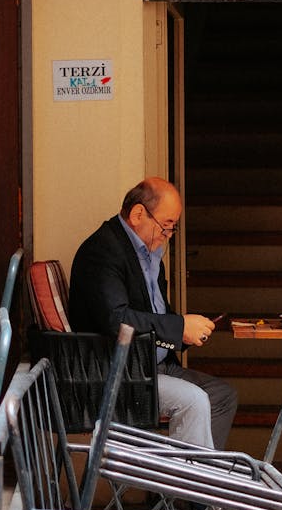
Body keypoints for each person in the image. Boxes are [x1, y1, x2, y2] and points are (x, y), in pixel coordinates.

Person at [69, 176, 238, 449]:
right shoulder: (102, 250)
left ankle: (199, 477)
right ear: (138, 214)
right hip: (119, 372)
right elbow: (116, 320)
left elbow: (155, 311)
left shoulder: (148, 252)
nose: (168, 235)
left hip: (150, 363)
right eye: (166, 226)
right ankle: (184, 486)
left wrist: (182, 332)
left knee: (222, 396)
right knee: (193, 400)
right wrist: (178, 327)